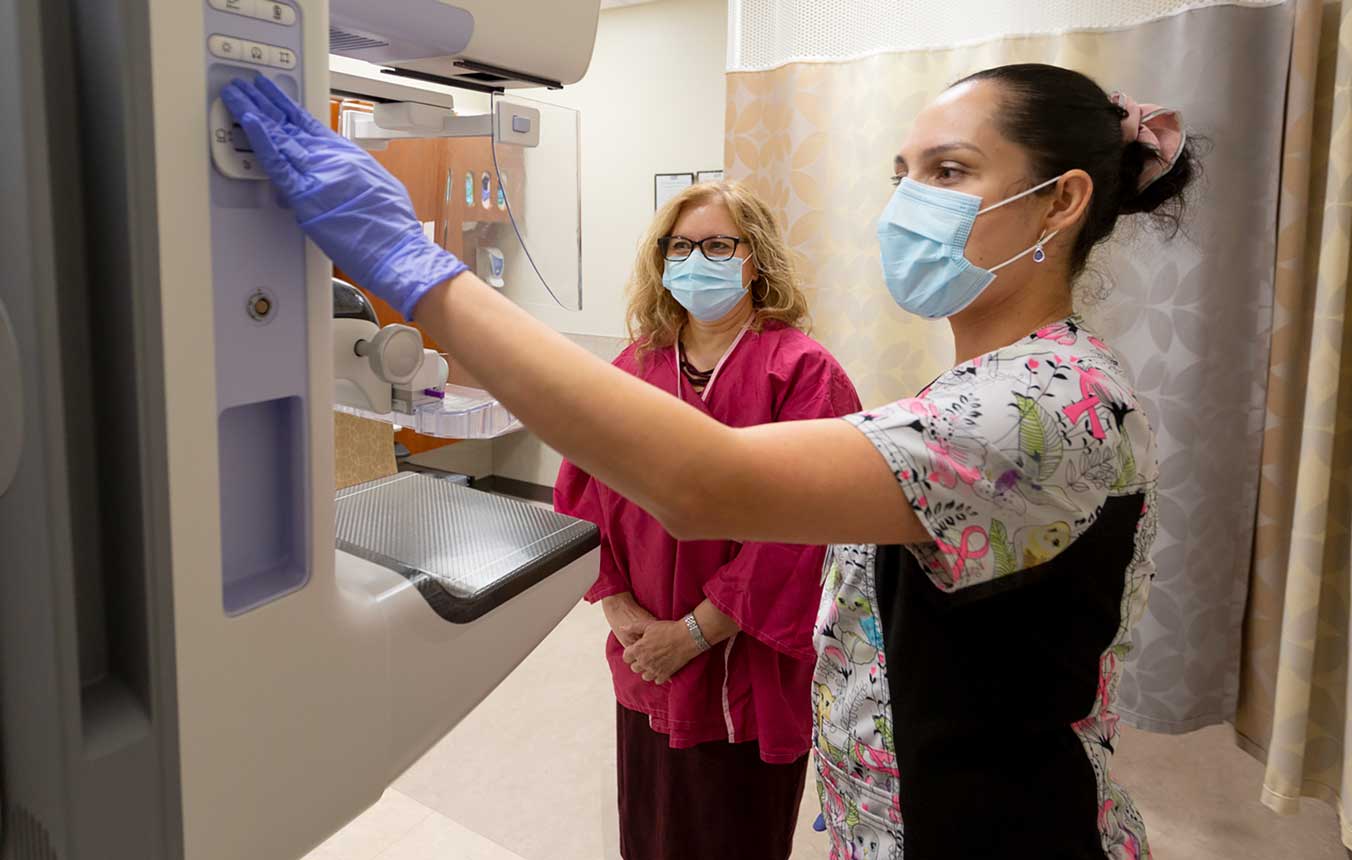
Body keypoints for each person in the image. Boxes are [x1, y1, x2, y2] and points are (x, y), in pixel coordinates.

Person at [223, 59, 1199, 858]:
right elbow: (596, 490)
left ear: (1059, 201)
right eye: (902, 173)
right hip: (923, 800)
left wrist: (411, 266)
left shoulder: (1035, 409)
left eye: (948, 172)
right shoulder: (1008, 386)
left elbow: (703, 483)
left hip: (1000, 827)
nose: (909, 201)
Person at [551, 181, 860, 859]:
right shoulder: (634, 367)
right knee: (652, 825)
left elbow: (806, 530)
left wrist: (694, 632)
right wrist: (618, 605)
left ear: (756, 260)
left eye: (719, 245)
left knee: (731, 830)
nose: (699, 259)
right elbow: (581, 490)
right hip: (645, 652)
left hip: (744, 662)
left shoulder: (803, 372)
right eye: (682, 246)